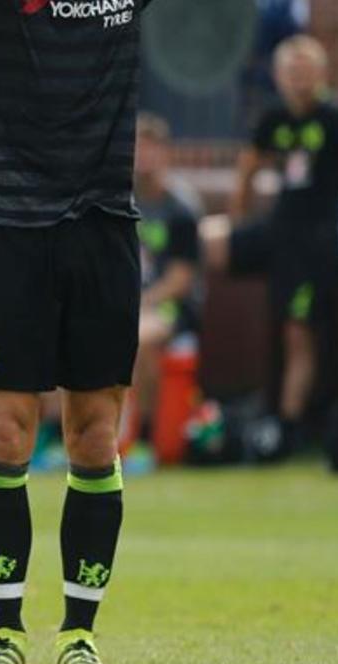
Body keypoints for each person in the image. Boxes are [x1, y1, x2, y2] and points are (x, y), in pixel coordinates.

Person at [0, 1, 157, 664]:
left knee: (95, 435)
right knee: (6, 432)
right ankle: (4, 635)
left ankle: (79, 635)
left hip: (103, 230)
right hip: (15, 230)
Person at [203, 34, 338, 459]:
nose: (299, 81)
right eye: (292, 72)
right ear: (278, 76)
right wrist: (238, 215)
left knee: (298, 333)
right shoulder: (274, 119)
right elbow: (247, 169)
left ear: (321, 75)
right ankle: (206, 370)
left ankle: (289, 427)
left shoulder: (337, 120)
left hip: (315, 243)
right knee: (211, 240)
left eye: (307, 72)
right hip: (279, 230)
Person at [131, 112, 201, 453]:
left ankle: (144, 441)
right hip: (123, 301)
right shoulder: (117, 201)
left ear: (165, 153)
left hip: (167, 306)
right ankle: (60, 438)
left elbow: (182, 279)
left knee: (141, 339)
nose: (143, 157)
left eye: (151, 149)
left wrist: (142, 301)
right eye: (137, 148)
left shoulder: (180, 209)